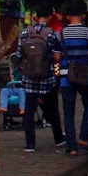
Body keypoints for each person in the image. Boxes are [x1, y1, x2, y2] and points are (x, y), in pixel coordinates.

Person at [9, 8, 63, 153]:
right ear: (50, 17)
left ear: (35, 17)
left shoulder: (25, 33)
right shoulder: (53, 34)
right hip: (47, 77)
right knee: (52, 109)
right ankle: (58, 138)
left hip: (29, 78)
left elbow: (19, 55)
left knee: (29, 110)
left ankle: (30, 144)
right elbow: (57, 57)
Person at [58, 3, 88, 156]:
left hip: (65, 76)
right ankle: (83, 136)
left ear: (68, 16)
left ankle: (72, 147)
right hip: (85, 75)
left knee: (68, 112)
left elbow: (57, 56)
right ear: (83, 16)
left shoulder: (61, 33)